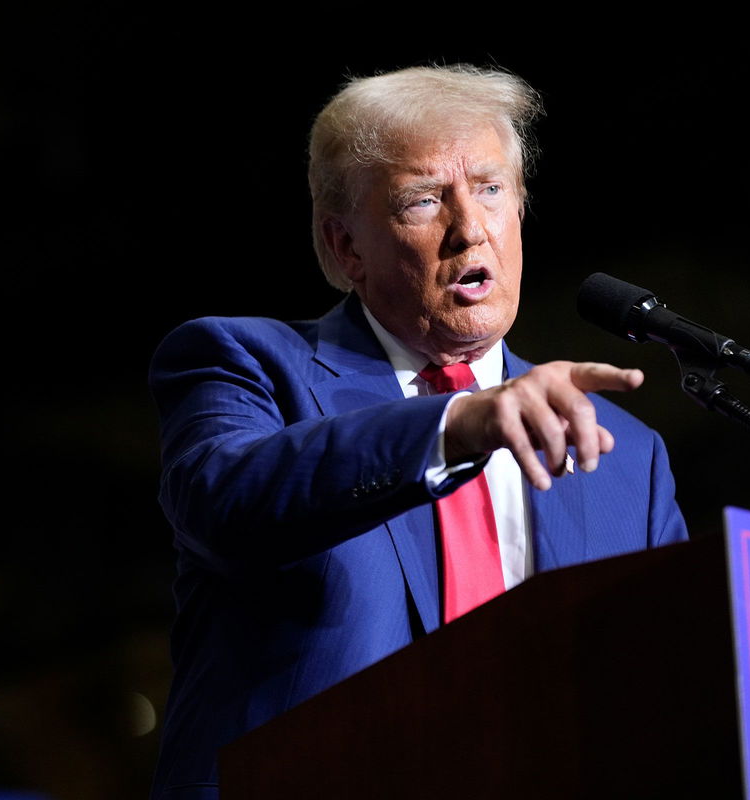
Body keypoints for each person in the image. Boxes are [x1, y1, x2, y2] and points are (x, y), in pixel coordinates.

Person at [147, 64, 688, 799]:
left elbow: (667, 690)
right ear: (346, 249)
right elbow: (223, 500)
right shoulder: (246, 364)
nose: (471, 228)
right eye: (424, 200)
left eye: (492, 189)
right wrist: (453, 425)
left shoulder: (626, 456)